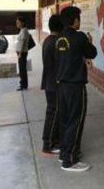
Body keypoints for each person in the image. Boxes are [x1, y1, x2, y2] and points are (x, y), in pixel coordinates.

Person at [55, 6, 97, 172]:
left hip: (61, 86)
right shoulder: (80, 37)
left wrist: (81, 57)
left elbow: (67, 57)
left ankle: (64, 154)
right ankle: (69, 160)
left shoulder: (59, 38)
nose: (79, 21)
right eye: (78, 18)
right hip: (75, 86)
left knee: (65, 120)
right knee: (75, 121)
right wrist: (89, 43)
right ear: (74, 21)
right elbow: (92, 53)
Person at [41, 15, 63, 156]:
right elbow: (60, 62)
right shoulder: (56, 42)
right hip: (54, 83)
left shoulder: (48, 40)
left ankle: (53, 141)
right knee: (53, 113)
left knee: (54, 112)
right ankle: (48, 144)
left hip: (50, 82)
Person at [15, 16, 30, 91]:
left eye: (18, 22)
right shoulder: (22, 30)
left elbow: (22, 43)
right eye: (16, 22)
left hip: (22, 53)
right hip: (22, 52)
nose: (17, 24)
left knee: (22, 70)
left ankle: (23, 85)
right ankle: (24, 84)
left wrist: (20, 54)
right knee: (23, 69)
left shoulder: (24, 31)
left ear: (22, 23)